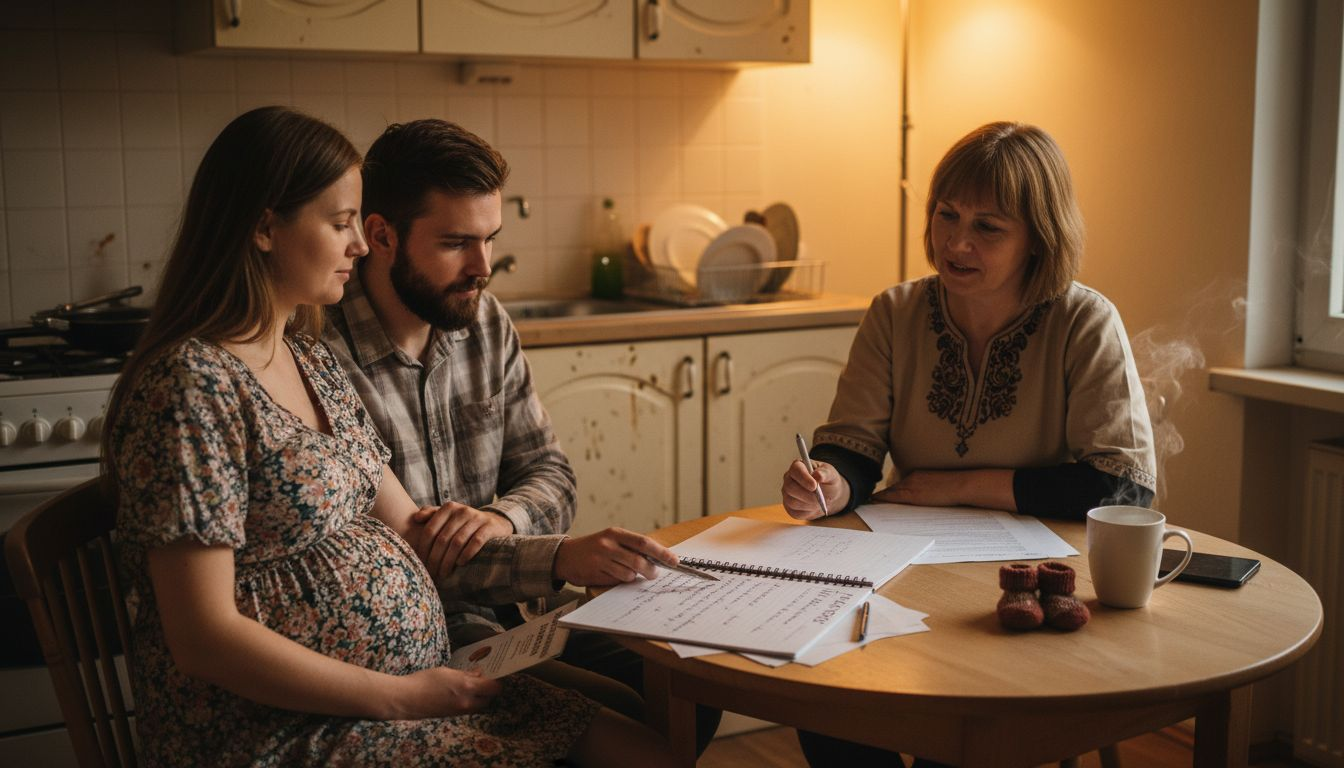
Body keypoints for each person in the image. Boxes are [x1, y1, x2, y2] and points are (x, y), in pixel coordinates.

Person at [103, 105, 676, 768]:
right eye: (341, 223)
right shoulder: (191, 386)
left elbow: (414, 528)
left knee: (646, 748)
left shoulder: (306, 358)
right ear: (265, 228)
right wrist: (400, 697)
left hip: (405, 686)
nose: (356, 245)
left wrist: (558, 557)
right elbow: (202, 638)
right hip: (282, 727)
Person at [322, 118, 722, 751]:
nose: (483, 267)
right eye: (456, 242)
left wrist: (503, 520)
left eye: (490, 239)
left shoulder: (483, 321)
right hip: (423, 637)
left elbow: (552, 475)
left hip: (521, 613)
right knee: (631, 714)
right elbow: (410, 557)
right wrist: (559, 554)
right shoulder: (321, 358)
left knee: (691, 682)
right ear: (381, 236)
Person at [781, 121, 1156, 767]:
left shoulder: (1083, 320)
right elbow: (854, 448)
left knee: (959, 735)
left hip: (1037, 591)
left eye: (988, 226)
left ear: (1039, 236)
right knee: (821, 688)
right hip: (911, 574)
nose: (955, 241)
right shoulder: (895, 313)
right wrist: (831, 482)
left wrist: (962, 485)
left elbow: (1121, 485)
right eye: (946, 214)